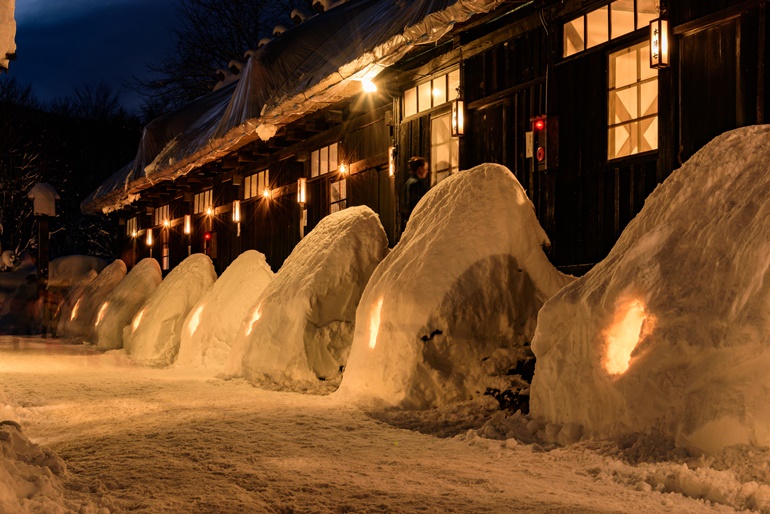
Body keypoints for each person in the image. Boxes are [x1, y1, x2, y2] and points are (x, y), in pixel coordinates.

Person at [402, 156, 429, 229]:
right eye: (425, 169)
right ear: (420, 169)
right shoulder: (417, 183)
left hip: (408, 221)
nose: (427, 171)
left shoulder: (407, 183)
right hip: (417, 221)